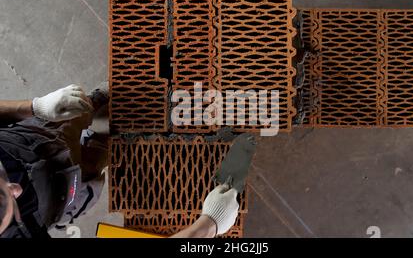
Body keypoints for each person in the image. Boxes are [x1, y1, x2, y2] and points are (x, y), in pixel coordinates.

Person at [0, 83, 239, 238]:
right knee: (91, 172)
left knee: (72, 116)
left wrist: (35, 107)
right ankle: (104, 142)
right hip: (53, 205)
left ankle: (100, 105)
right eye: (4, 206)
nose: (16, 187)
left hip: (27, 143)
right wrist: (208, 226)